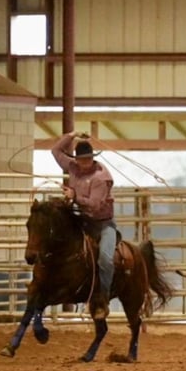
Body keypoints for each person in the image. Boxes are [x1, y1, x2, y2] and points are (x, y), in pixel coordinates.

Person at [52, 131, 116, 318]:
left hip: (102, 223)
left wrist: (74, 196)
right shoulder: (72, 166)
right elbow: (55, 151)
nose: (83, 162)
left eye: (87, 159)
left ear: (92, 158)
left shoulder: (101, 177)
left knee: (105, 259)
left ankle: (103, 297)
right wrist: (71, 136)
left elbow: (96, 205)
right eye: (81, 159)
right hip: (80, 219)